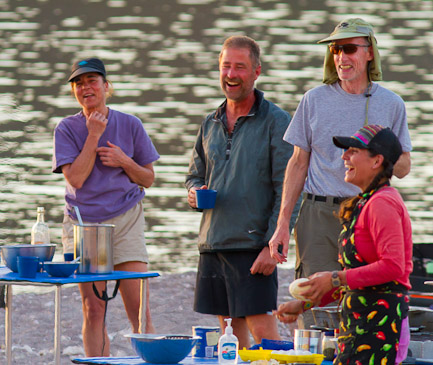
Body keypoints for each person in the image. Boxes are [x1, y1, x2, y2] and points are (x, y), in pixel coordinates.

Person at [269, 18, 412, 319]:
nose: (341, 58)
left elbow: (403, 169)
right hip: (318, 214)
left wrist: (379, 149)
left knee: (363, 301)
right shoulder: (313, 100)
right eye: (336, 50)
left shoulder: (392, 103)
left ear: (370, 52)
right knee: (315, 302)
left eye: (349, 49)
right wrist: (282, 224)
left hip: (368, 215)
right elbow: (297, 163)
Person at [185, 35, 299, 349]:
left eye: (240, 67)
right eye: (225, 66)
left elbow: (288, 189)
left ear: (256, 71)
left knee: (265, 338)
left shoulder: (277, 122)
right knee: (229, 339)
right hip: (213, 243)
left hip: (253, 247)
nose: (231, 74)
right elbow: (194, 176)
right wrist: (195, 192)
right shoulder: (210, 122)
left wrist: (272, 246)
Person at [275, 125, 413, 365]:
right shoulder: (364, 202)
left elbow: (393, 267)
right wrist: (307, 303)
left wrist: (335, 278)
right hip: (358, 326)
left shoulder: (383, 203)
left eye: (352, 151)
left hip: (381, 328)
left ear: (376, 161)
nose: (343, 157)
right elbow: (359, 279)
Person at [52, 58, 159, 356]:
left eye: (92, 81)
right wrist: (94, 135)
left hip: (126, 219)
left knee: (139, 309)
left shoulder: (131, 124)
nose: (86, 87)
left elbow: (148, 178)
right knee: (94, 307)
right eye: (79, 83)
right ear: (74, 91)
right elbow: (76, 179)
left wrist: (125, 161)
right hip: (83, 224)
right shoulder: (66, 129)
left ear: (105, 86)